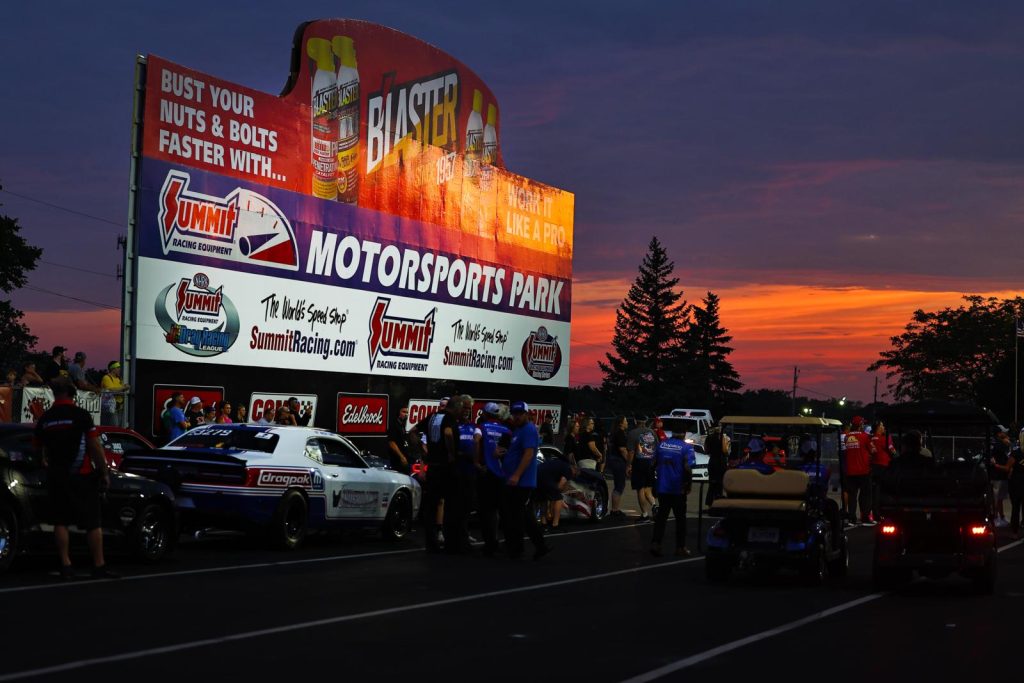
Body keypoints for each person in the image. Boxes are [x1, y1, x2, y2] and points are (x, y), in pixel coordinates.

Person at [34, 377, 118, 580]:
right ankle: (98, 566)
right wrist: (104, 472)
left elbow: (37, 448)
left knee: (60, 521)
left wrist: (44, 463)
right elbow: (95, 446)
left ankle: (66, 565)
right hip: (83, 476)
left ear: (55, 394)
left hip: (57, 476)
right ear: (72, 394)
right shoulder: (81, 415)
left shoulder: (46, 418)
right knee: (92, 523)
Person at [502, 401, 550, 560]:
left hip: (522, 481)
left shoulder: (528, 430)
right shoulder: (518, 430)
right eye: (514, 413)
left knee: (518, 515)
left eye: (519, 413)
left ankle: (519, 548)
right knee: (521, 515)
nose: (516, 416)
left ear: (526, 414)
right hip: (515, 480)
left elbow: (529, 454)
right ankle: (533, 546)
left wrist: (516, 475)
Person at [420, 395, 460, 553]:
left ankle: (431, 542)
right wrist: (451, 453)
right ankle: (450, 542)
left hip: (433, 467)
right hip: (446, 468)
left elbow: (414, 432)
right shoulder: (449, 418)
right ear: (455, 407)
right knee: (450, 504)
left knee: (431, 506)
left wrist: (423, 453)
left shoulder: (431, 417)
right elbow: (449, 433)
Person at [650, 431, 693, 557]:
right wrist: (688, 484)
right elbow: (688, 468)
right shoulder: (686, 447)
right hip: (678, 489)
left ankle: (656, 543)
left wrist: (654, 484)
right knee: (680, 519)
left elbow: (652, 465)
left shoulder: (662, 445)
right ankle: (680, 547)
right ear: (684, 434)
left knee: (661, 517)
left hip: (663, 487)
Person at [478, 402, 511, 556]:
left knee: (488, 511)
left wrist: (476, 463)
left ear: (484, 414)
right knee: (503, 510)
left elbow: (475, 442)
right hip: (504, 475)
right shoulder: (507, 430)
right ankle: (507, 543)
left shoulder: (481, 427)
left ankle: (490, 544)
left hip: (488, 474)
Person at [450, 395, 481, 554]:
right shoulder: (453, 426)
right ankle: (456, 541)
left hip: (470, 474)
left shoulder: (475, 427)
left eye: (469, 409)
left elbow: (479, 446)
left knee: (467, 508)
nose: (467, 412)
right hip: (456, 473)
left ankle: (464, 536)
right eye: (465, 408)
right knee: (457, 508)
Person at [843, 416, 876, 526]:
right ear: (861, 425)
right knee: (866, 494)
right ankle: (865, 518)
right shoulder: (865, 437)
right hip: (863, 470)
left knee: (852, 495)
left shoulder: (846, 437)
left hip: (850, 471)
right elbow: (873, 450)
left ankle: (852, 518)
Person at [627, 417, 658, 521]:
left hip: (639, 463)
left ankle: (645, 515)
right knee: (648, 488)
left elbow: (631, 452)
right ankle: (654, 505)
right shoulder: (652, 432)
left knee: (640, 489)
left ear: (636, 421)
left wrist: (628, 465)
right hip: (650, 463)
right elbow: (656, 448)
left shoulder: (633, 433)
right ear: (646, 421)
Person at [870, 421, 896, 523]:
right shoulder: (886, 438)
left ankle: (875, 514)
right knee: (885, 491)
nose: (884, 427)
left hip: (873, 467)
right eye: (882, 425)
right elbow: (891, 450)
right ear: (878, 428)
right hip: (884, 467)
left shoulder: (871, 438)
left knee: (875, 491)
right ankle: (883, 513)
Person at [606, 416, 629, 519]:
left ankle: (615, 509)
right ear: (621, 423)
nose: (627, 422)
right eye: (625, 421)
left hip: (615, 460)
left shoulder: (616, 433)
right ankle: (614, 510)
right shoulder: (620, 433)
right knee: (619, 485)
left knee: (619, 485)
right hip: (619, 461)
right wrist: (629, 462)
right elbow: (623, 450)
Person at [991, 431, 1014, 528]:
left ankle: (1001, 516)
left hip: (1002, 475)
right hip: (998, 476)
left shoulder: (1004, 445)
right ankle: (996, 518)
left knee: (1000, 498)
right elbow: (992, 457)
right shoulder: (998, 445)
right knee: (997, 498)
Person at [99, 361, 129, 427]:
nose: (119, 369)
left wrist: (124, 387)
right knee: (114, 426)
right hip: (111, 407)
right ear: (113, 369)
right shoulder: (106, 378)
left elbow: (120, 388)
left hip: (119, 406)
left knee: (119, 426)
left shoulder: (119, 379)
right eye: (118, 368)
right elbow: (111, 390)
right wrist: (124, 387)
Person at [387, 405, 414, 474]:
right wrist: (401, 457)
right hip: (397, 460)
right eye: (404, 412)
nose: (406, 414)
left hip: (406, 458)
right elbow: (391, 442)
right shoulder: (394, 424)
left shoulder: (403, 425)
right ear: (398, 412)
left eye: (407, 412)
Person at [1006, 439, 1024, 539]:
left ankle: (1015, 532)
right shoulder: (1016, 452)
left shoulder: (1016, 453)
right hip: (1018, 482)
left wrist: (995, 465)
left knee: (1015, 508)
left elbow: (1007, 468)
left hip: (1016, 483)